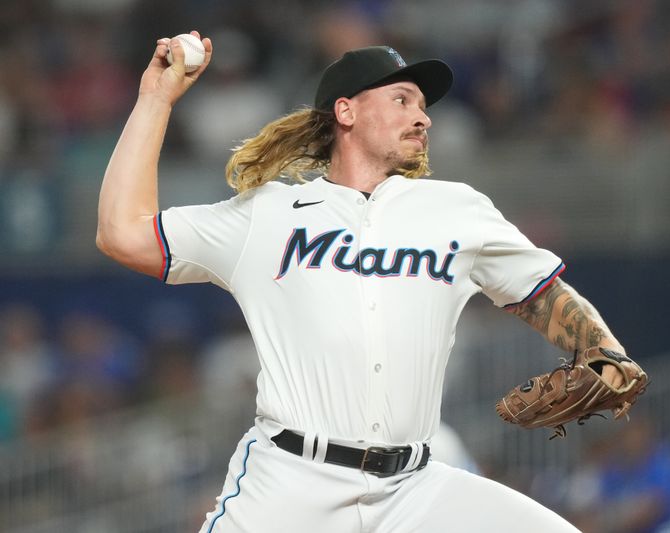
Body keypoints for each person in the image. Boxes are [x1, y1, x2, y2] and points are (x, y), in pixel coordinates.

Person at [97, 31, 637, 533]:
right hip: (290, 484)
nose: (422, 117)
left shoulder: (455, 209)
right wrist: (155, 100)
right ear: (346, 110)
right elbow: (122, 233)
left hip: (416, 487)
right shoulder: (268, 215)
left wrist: (604, 354)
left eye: (424, 107)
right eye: (403, 99)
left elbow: (541, 291)